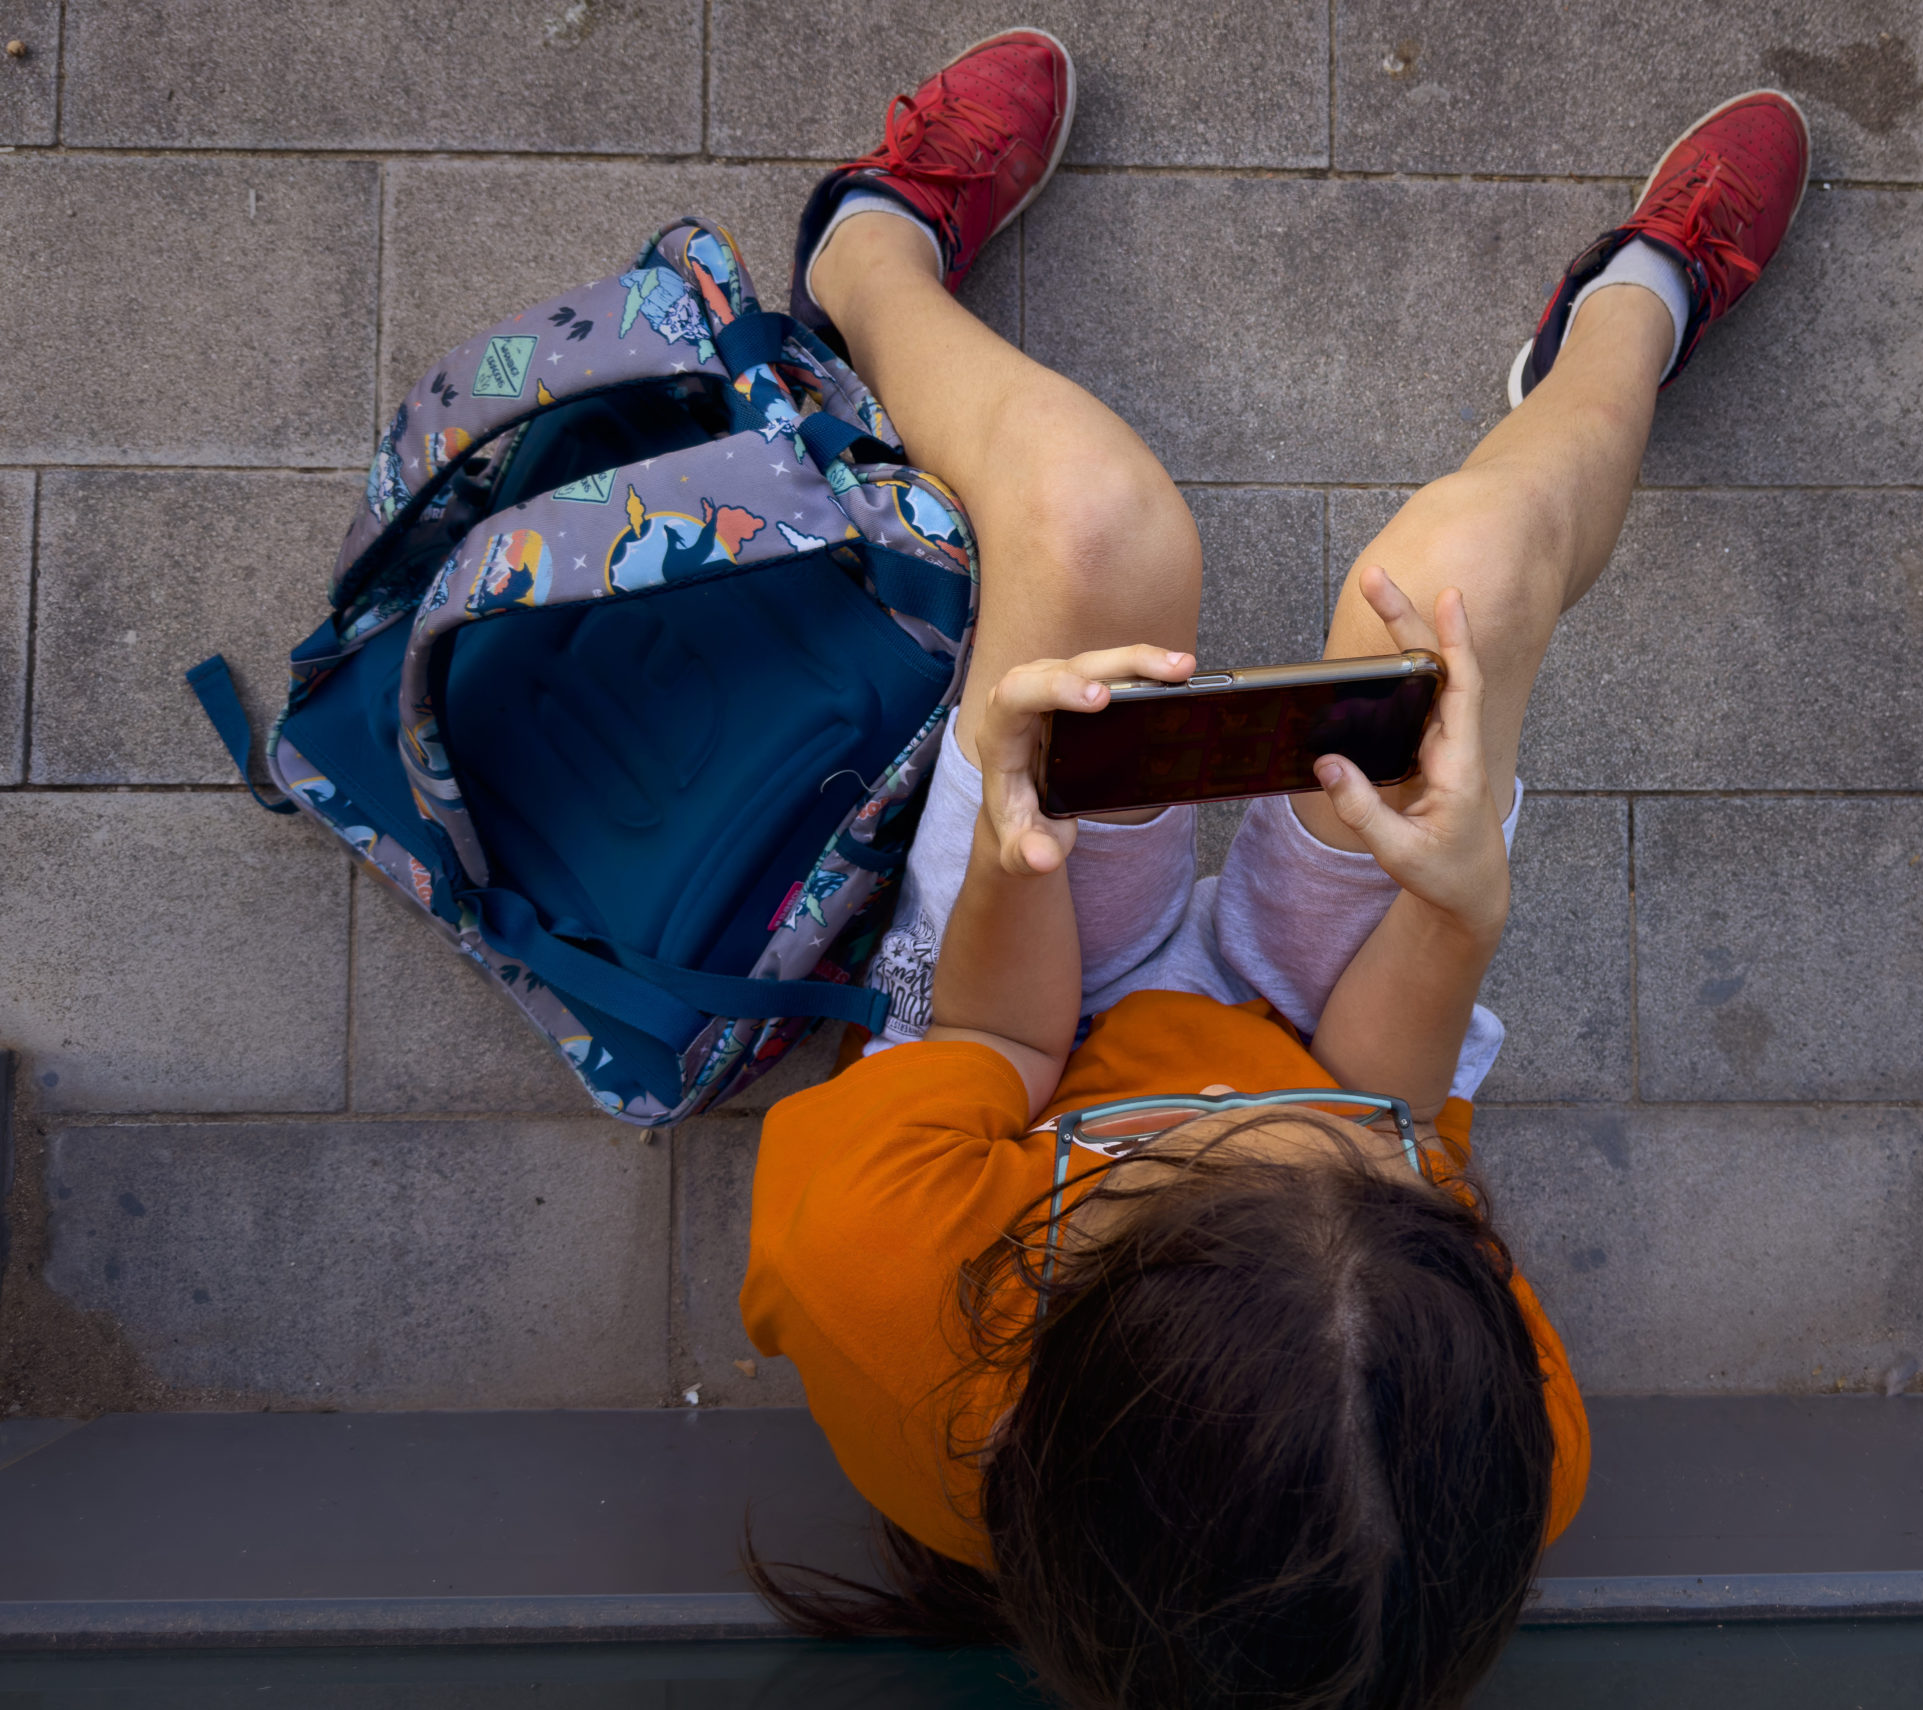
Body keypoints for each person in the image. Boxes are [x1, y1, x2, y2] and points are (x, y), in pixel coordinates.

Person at [741, 28, 1808, 1709]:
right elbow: (1384, 1103)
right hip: (1325, 1028)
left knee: (1092, 531)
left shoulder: (891, 1280)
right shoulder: (1477, 1433)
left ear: (1049, 1321)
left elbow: (1007, 1058)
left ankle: (863, 256)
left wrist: (1019, 836)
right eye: (1389, 1192)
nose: (1361, 1156)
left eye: (1195, 1163)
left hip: (1016, 1046)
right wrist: (1455, 908)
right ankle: (1627, 321)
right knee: (1459, 587)